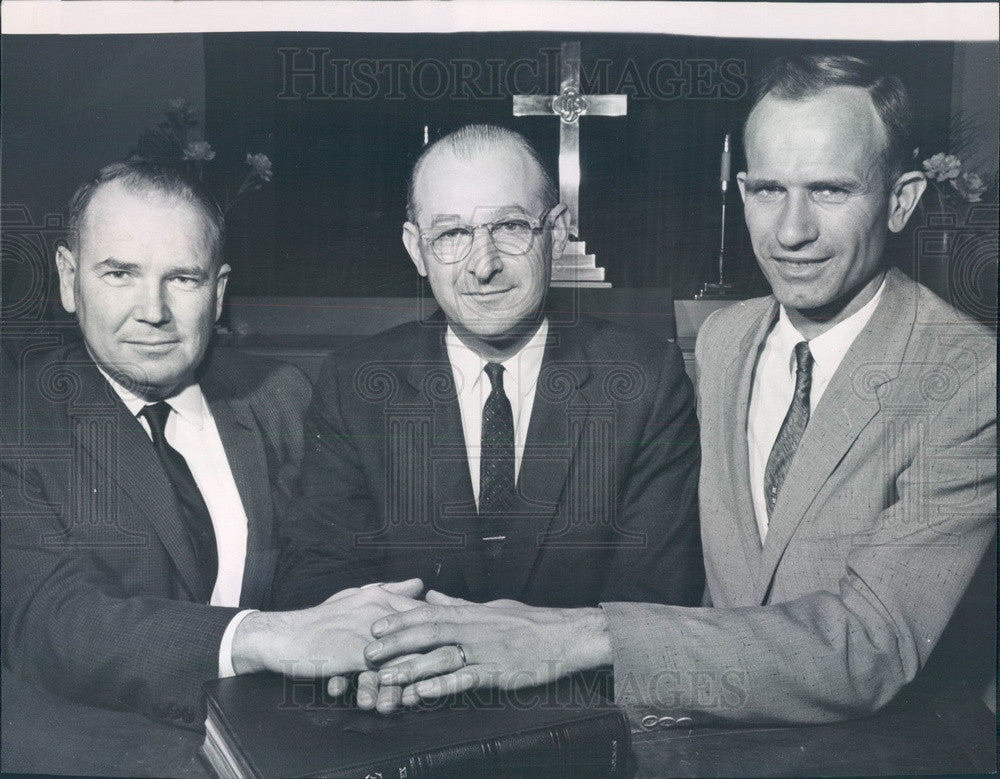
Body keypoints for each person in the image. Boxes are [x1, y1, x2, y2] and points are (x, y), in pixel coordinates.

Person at [358, 55, 996, 726]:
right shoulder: (724, 340)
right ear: (743, 192)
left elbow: (868, 648)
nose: (791, 230)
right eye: (770, 190)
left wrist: (574, 635)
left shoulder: (969, 377)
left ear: (902, 200)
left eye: (830, 190)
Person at [272, 124, 704, 709]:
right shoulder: (357, 383)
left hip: (582, 726)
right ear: (415, 250)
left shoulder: (644, 380)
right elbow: (320, 587)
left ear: (555, 234)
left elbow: (655, 601)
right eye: (451, 233)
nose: (484, 265)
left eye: (509, 227)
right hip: (405, 717)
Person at [1, 161, 424, 730]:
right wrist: (261, 638)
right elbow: (52, 622)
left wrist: (368, 652)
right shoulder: (19, 424)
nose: (152, 312)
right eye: (120, 273)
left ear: (219, 293)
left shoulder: (280, 397)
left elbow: (330, 560)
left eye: (183, 279)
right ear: (67, 279)